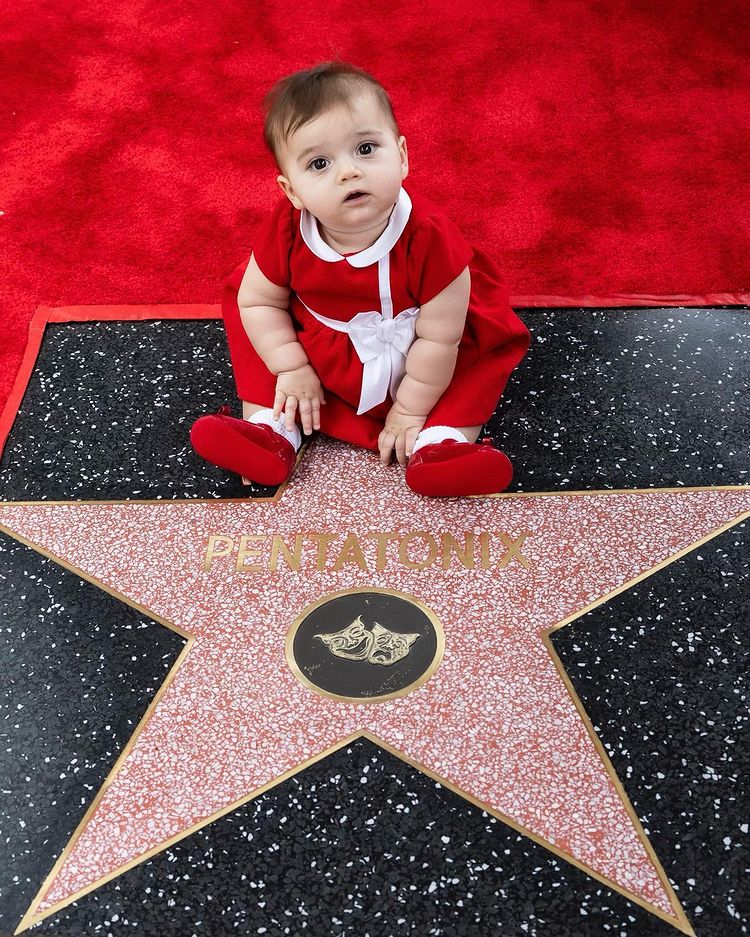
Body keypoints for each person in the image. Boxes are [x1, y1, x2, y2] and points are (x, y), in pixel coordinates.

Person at [191, 62, 530, 496]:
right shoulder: (288, 229)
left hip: (425, 347)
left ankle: (441, 443)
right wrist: (292, 367)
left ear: (402, 156)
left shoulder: (429, 236)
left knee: (479, 353)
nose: (348, 172)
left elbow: (439, 340)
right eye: (319, 163)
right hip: (320, 344)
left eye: (366, 149)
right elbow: (260, 302)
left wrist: (409, 409)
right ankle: (270, 430)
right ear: (292, 191)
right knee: (250, 306)